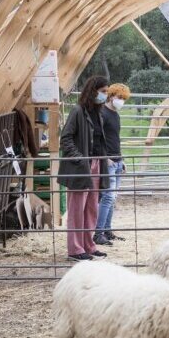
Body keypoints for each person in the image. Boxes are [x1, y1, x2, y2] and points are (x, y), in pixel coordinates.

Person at [60, 76, 110, 261]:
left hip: (96, 163)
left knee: (91, 208)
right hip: (81, 166)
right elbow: (65, 138)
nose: (105, 95)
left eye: (106, 91)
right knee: (76, 208)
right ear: (93, 90)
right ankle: (75, 249)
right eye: (103, 91)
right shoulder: (77, 111)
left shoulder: (99, 112)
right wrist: (79, 158)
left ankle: (89, 245)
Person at [94, 83, 131, 246]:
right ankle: (98, 232)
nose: (121, 101)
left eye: (124, 98)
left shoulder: (116, 114)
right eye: (119, 97)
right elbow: (97, 138)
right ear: (111, 96)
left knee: (112, 197)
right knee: (108, 197)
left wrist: (121, 160)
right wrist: (105, 157)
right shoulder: (102, 113)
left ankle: (107, 230)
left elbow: (115, 138)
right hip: (108, 161)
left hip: (117, 160)